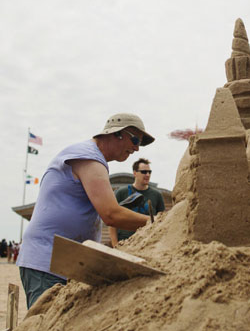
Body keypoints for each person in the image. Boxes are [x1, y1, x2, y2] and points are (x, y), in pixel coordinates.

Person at [16, 113, 155, 309]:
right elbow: (111, 214)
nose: (136, 148)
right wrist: (157, 222)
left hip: (64, 260)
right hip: (47, 258)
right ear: (117, 134)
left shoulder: (92, 158)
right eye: (134, 139)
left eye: (139, 143)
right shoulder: (88, 157)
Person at [109, 158, 165, 246]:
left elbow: (161, 221)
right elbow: (112, 221)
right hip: (124, 243)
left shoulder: (157, 195)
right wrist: (115, 244)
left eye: (149, 172)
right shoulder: (121, 192)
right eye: (144, 172)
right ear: (135, 173)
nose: (147, 174)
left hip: (147, 244)